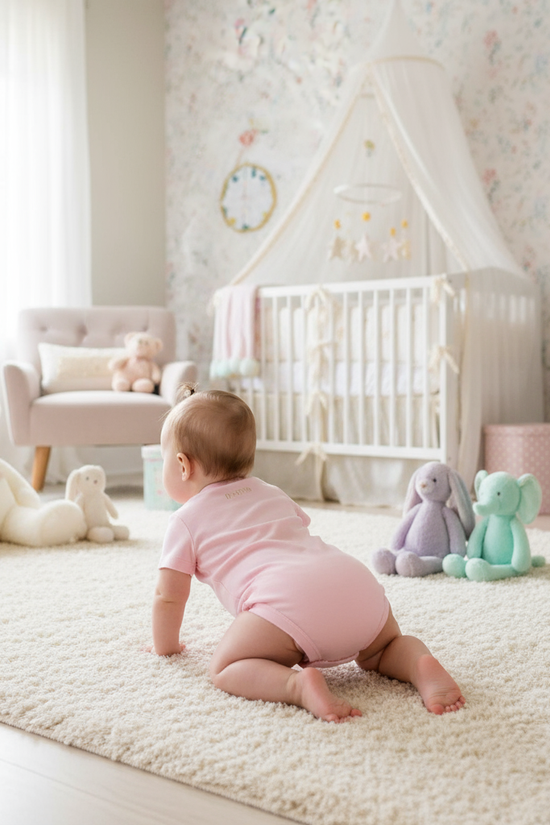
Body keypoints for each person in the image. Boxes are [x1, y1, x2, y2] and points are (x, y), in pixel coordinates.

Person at [150, 384, 465, 723]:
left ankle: (296, 685)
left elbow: (168, 597)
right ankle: (419, 664)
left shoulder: (184, 521)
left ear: (182, 465)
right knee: (385, 649)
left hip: (288, 604)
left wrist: (166, 647)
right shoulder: (271, 492)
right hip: (355, 583)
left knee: (226, 667)